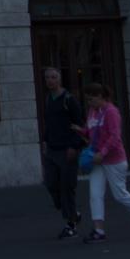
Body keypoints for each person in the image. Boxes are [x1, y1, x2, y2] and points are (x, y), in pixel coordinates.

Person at [80, 82, 130, 243]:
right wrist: (81, 131)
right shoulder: (93, 111)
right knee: (95, 194)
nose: (89, 103)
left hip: (114, 160)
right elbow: (90, 131)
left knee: (119, 194)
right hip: (97, 160)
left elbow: (115, 137)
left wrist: (102, 152)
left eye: (91, 99)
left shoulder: (112, 112)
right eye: (88, 100)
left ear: (100, 97)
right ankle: (99, 230)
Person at [39, 66, 87, 239]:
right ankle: (73, 212)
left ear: (59, 79)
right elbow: (49, 123)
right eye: (47, 78)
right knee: (50, 183)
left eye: (53, 77)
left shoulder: (69, 99)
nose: (50, 80)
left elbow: (80, 125)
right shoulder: (48, 99)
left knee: (67, 187)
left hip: (67, 149)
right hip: (52, 148)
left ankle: (71, 224)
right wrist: (45, 141)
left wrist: (74, 146)